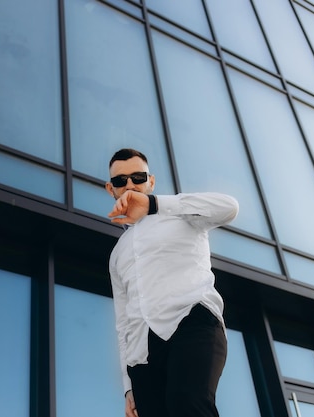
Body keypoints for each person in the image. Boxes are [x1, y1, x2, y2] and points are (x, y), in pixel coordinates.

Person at [105, 148, 239, 417]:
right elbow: (123, 322)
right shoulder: (117, 254)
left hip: (192, 323)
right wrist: (128, 387)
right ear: (111, 189)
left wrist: (155, 205)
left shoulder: (182, 214)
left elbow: (229, 208)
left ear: (151, 181)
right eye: (121, 181)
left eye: (138, 177)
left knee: (188, 404)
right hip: (142, 353)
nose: (130, 185)